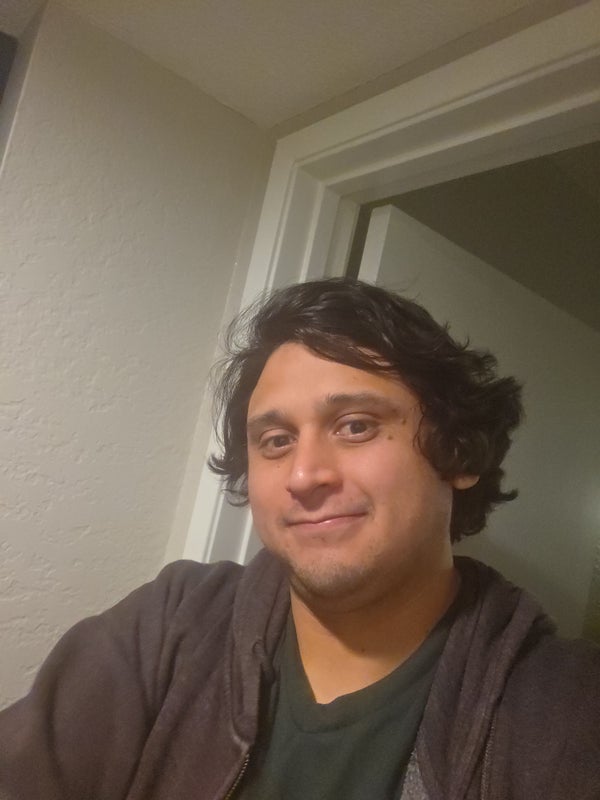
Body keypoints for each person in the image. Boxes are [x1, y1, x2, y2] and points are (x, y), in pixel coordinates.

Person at [0, 278, 598, 800]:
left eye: (355, 425)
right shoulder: (170, 626)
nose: (304, 475)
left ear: (461, 453)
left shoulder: (565, 710)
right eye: (277, 441)